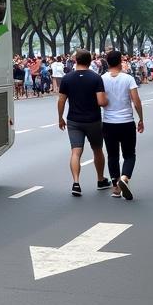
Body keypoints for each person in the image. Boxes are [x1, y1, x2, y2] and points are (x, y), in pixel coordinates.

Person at [57, 49, 110, 196]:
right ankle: (100, 180)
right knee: (97, 150)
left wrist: (60, 117)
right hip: (93, 119)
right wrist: (107, 101)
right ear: (90, 61)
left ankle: (76, 182)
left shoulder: (67, 78)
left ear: (76, 60)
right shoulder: (96, 78)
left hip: (74, 120)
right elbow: (101, 101)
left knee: (76, 152)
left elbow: (61, 100)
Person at [101, 49, 144, 200]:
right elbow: (136, 101)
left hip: (108, 122)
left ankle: (115, 188)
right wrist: (141, 119)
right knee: (129, 154)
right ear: (120, 61)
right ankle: (124, 178)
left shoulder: (102, 79)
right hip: (126, 122)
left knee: (112, 155)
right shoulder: (128, 78)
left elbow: (99, 100)